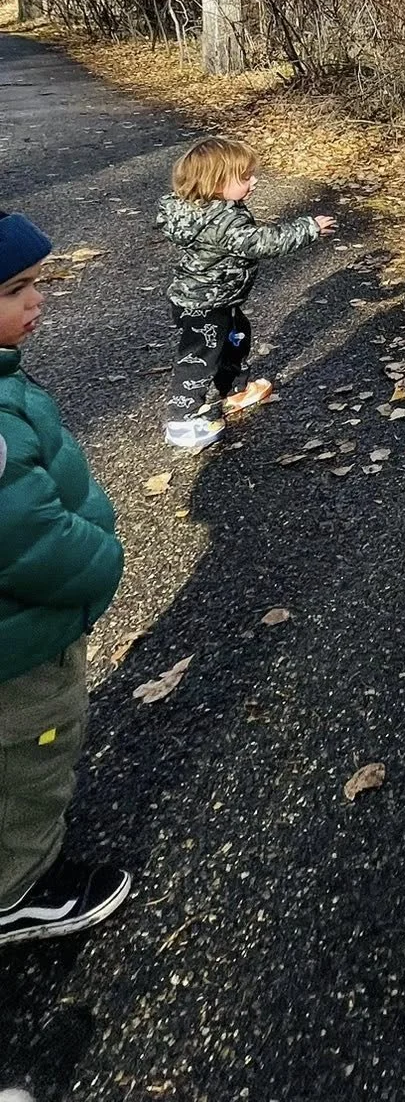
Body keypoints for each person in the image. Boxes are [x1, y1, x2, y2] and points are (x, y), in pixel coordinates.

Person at [0, 210, 130, 947]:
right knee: (31, 759)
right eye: (17, 289)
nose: (37, 301)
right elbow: (23, 534)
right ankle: (18, 888)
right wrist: (99, 559)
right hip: (19, 647)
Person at [157, 138, 336, 452]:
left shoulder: (208, 209)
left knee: (237, 336)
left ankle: (235, 388)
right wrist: (308, 229)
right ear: (215, 183)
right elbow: (263, 242)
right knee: (198, 360)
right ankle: (181, 420)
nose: (254, 182)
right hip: (205, 306)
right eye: (244, 177)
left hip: (218, 299)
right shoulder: (223, 222)